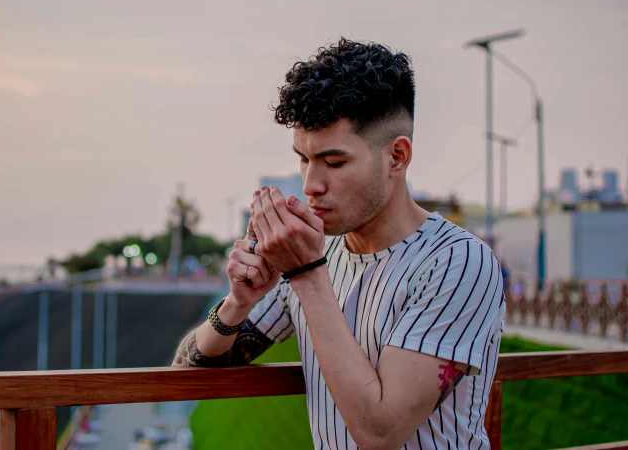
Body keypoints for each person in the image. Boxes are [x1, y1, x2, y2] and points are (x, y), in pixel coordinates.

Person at [172, 38, 505, 450]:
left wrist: (306, 275)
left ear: (397, 158)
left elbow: (379, 432)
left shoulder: (458, 262)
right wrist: (238, 302)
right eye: (303, 159)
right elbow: (191, 375)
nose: (311, 185)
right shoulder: (321, 253)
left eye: (334, 162)